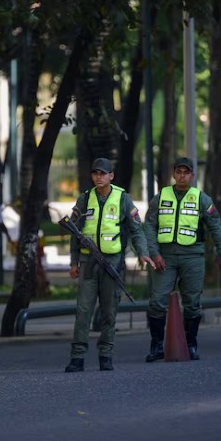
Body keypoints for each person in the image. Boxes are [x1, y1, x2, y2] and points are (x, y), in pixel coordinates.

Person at [65, 158, 155, 373]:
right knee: (83, 310)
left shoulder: (123, 199)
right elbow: (74, 233)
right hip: (88, 262)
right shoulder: (85, 199)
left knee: (109, 311)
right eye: (95, 173)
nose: (99, 177)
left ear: (111, 176)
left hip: (112, 263)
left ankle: (106, 355)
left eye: (103, 173)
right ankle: (77, 357)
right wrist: (74, 262)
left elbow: (136, 230)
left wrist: (143, 253)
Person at [144, 157, 221, 361]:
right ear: (174, 174)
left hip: (193, 257)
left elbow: (215, 227)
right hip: (164, 257)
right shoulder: (160, 197)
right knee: (157, 301)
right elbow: (148, 226)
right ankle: (156, 346)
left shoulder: (201, 199)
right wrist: (154, 253)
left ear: (192, 175)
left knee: (192, 303)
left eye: (186, 172)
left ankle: (190, 344)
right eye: (179, 171)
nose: (182, 175)